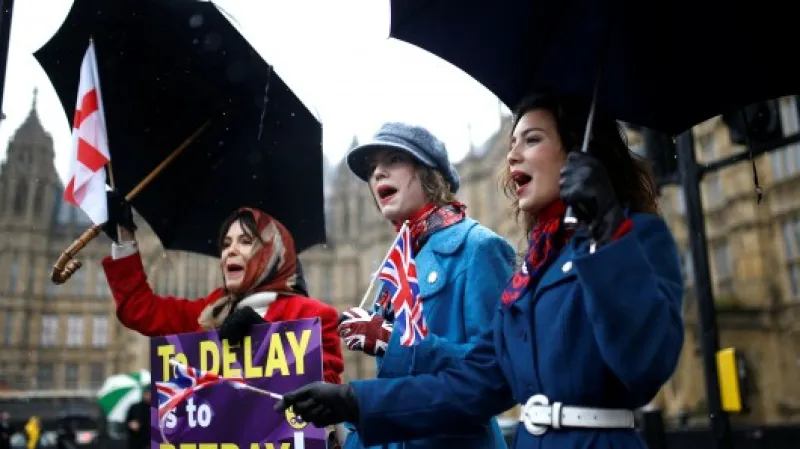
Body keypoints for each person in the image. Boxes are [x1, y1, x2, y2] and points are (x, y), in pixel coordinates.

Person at [275, 93, 685, 449]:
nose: (512, 156)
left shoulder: (634, 237)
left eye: (533, 139)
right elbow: (477, 382)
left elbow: (644, 363)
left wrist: (607, 230)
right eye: (512, 143)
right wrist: (354, 400)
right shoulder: (534, 268)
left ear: (579, 153)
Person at [337, 122, 515, 449]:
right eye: (372, 168)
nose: (377, 173)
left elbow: (496, 378)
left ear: (429, 172)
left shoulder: (478, 248)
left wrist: (389, 340)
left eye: (393, 160)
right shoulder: (396, 266)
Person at [101, 200, 344, 383]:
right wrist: (124, 239)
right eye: (226, 244)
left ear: (272, 253)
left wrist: (264, 339)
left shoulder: (313, 317)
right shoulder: (210, 312)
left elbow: (323, 395)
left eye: (246, 242)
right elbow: (139, 309)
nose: (231, 251)